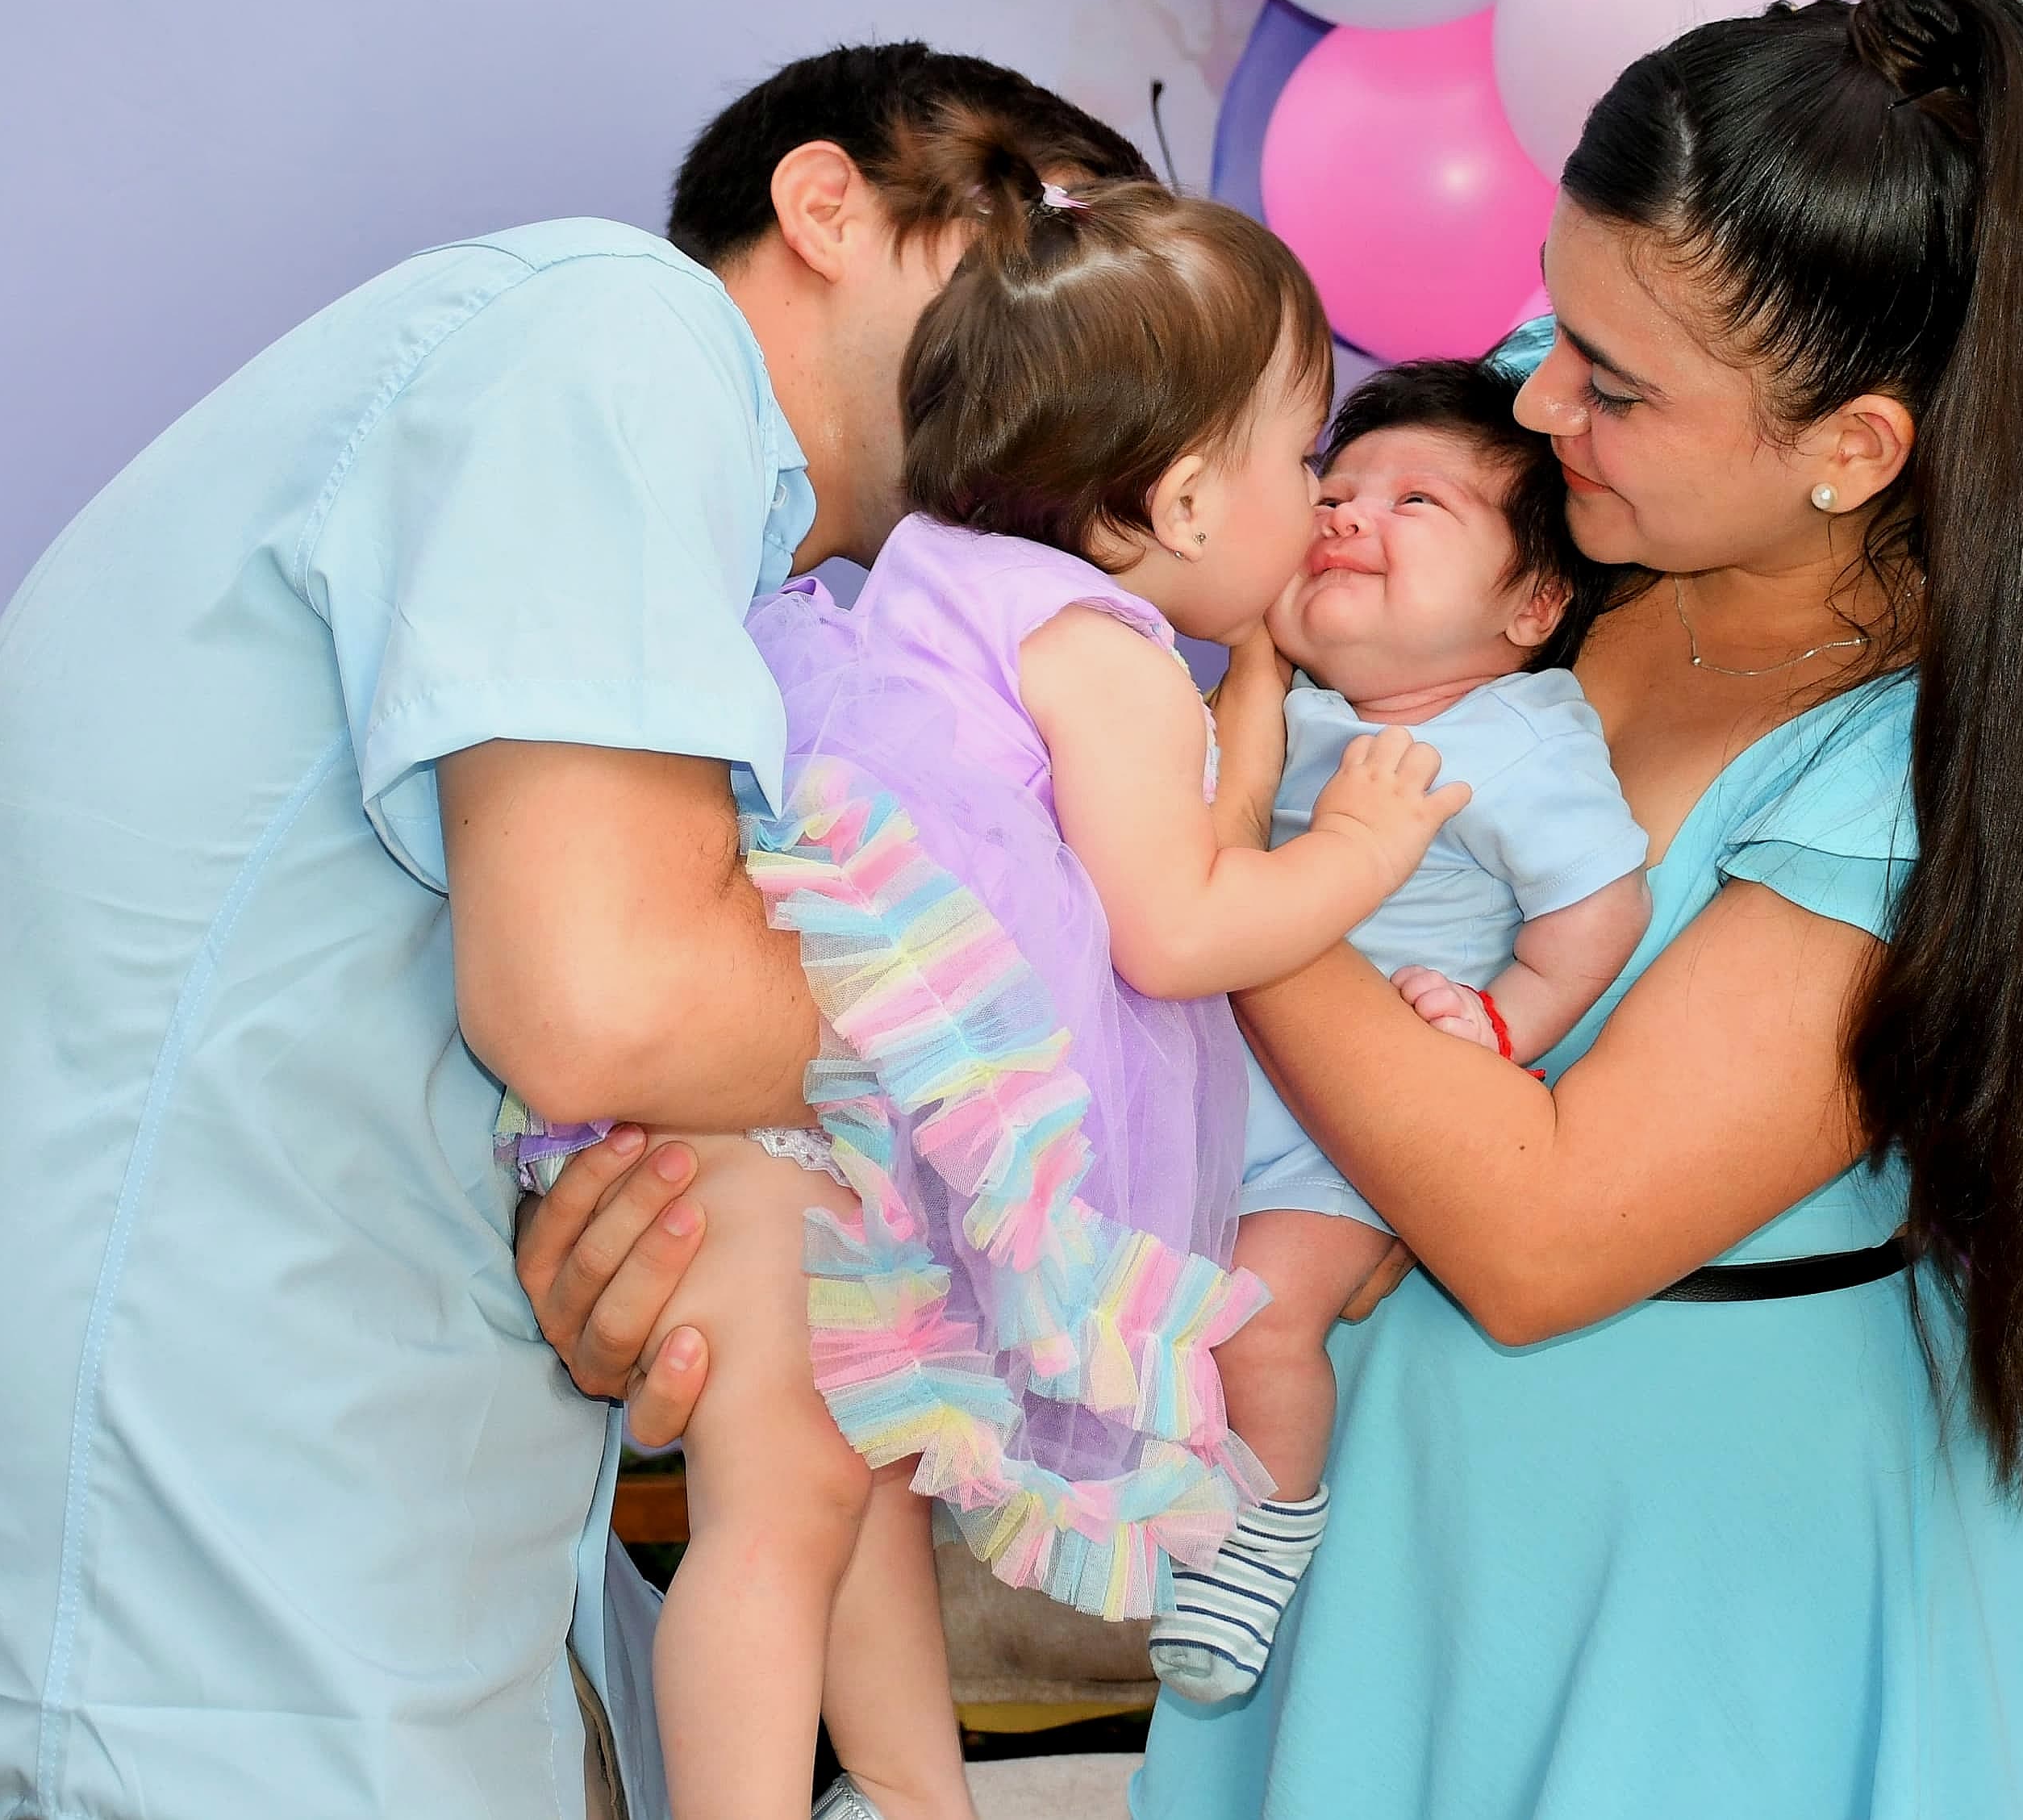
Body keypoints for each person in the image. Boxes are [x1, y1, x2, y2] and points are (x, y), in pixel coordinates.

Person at [520, 0, 2023, 1815]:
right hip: (1369, 1518)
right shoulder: (1552, 511)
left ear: (1851, 448)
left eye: (1614, 383)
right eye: (1558, 318)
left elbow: (1536, 1232)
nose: (1535, 394)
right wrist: (764, 1222)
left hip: (1698, 1584)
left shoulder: (1903, 779)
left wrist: (1204, 873)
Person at [0, 44, 1148, 1820]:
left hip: (317, 1581)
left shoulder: (751, 603)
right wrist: (1063, 1030)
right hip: (211, 1638)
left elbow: (530, 1033)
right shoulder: (614, 331)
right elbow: (608, 996)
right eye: (1055, 249)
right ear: (827, 204)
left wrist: (612, 1247)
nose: (1097, 350)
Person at [498, 163, 1471, 1820]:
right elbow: (1177, 929)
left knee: (847, 1481)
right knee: (785, 1515)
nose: (1317, 501)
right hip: (830, 1131)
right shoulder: (1105, 654)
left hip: (785, 1104)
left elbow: (1148, 848)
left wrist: (1244, 705)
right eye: (1301, 457)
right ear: (1184, 502)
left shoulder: (943, 576)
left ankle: (909, 1794)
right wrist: (1362, 852)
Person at [1147, 360, 1649, 1705]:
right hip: (1218, 1091)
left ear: (1532, 605)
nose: (1347, 513)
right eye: (1335, 488)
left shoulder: (1517, 739)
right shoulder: (1285, 710)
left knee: (1259, 1318)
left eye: (1417, 501)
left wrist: (1503, 1018)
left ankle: (1262, 1530)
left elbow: (1602, 905)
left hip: (1348, 1136)